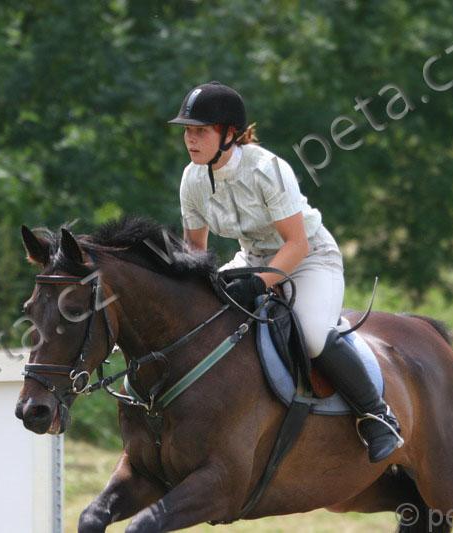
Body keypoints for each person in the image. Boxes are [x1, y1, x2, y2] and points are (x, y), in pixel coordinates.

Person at [169, 81, 403, 463]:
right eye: (187, 131)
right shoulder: (192, 178)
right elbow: (195, 251)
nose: (190, 140)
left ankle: (377, 415)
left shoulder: (267, 170)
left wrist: (257, 284)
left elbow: (297, 244)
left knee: (311, 336)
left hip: (310, 259)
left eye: (201, 131)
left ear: (229, 134)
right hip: (252, 258)